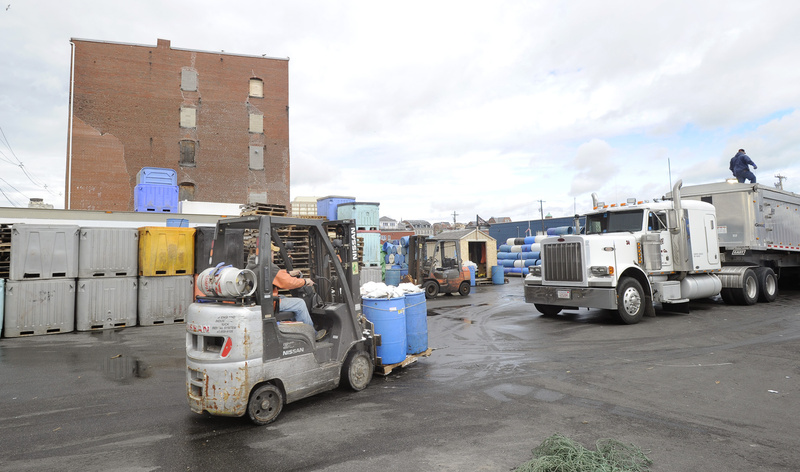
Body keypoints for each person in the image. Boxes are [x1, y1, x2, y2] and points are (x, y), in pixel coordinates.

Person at [270, 244, 327, 341]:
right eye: (273, 253)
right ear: (268, 253)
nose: (274, 255)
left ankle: (296, 331)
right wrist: (305, 281)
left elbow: (277, 275)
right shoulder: (268, 265)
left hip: (267, 299)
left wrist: (288, 273)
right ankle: (313, 334)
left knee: (284, 298)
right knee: (300, 303)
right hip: (270, 303)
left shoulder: (255, 263)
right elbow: (288, 283)